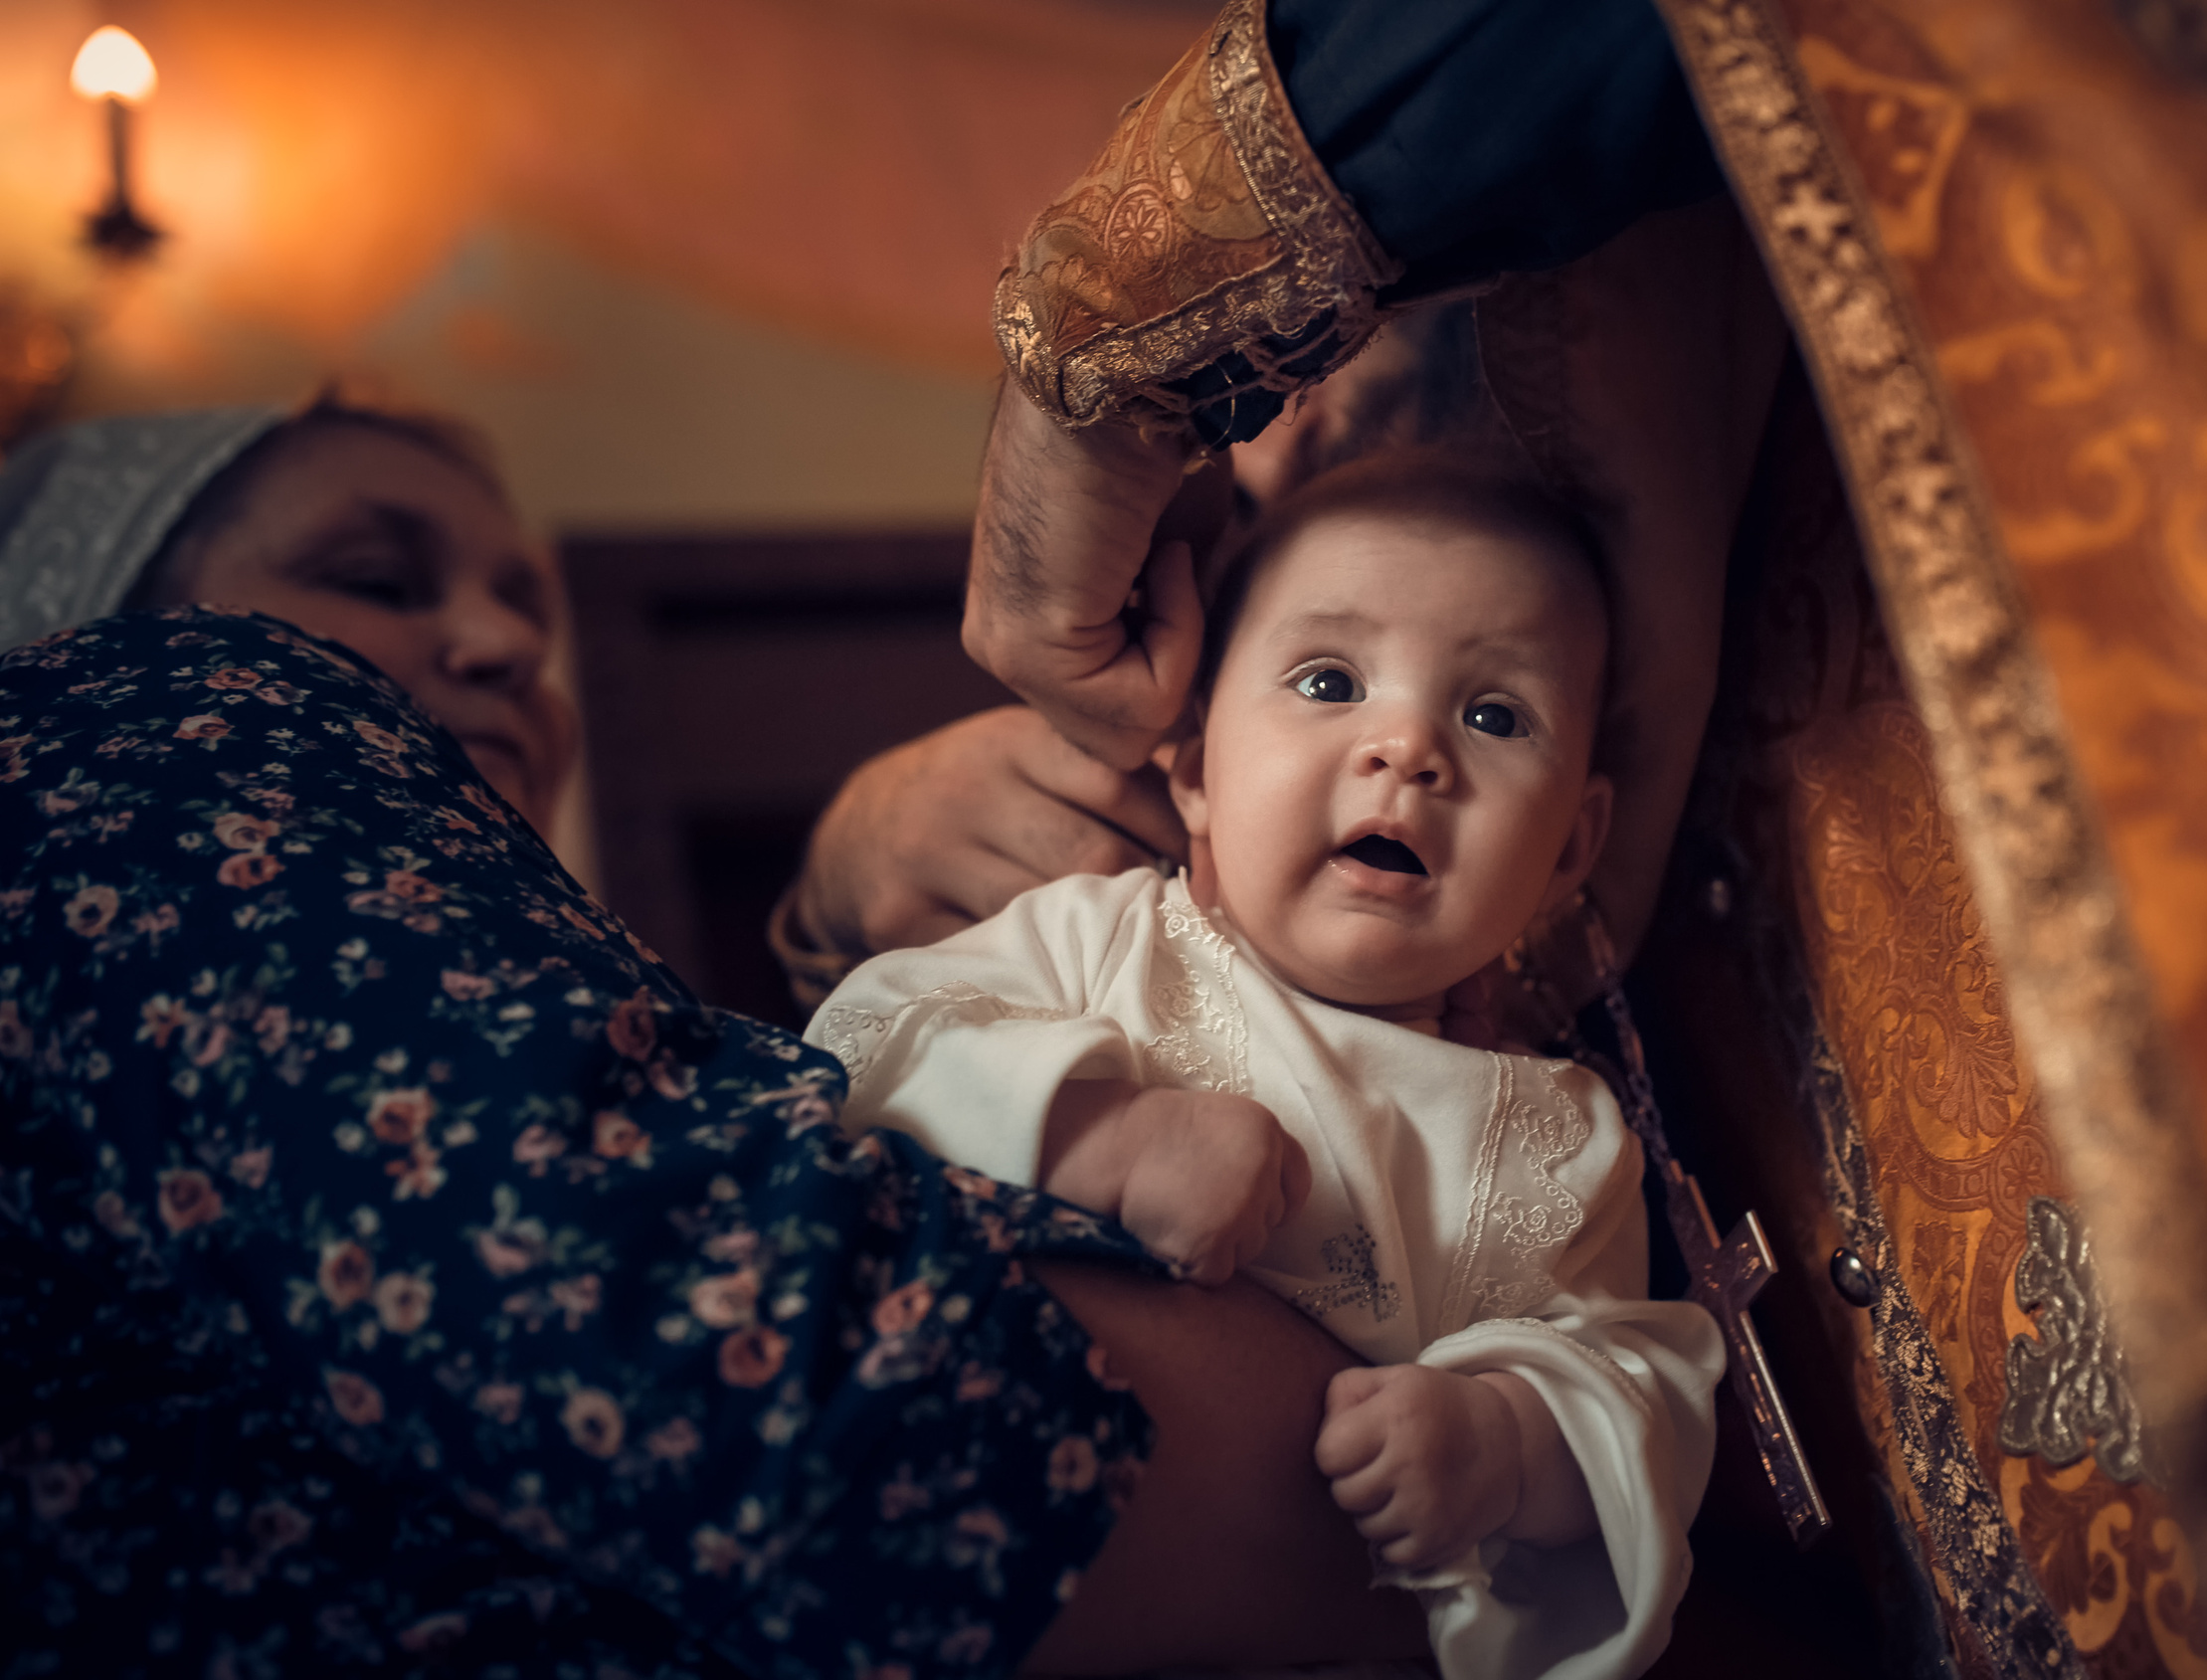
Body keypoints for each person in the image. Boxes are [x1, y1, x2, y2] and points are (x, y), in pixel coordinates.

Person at [0, 403, 1428, 1675]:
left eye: (529, 616)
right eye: (373, 579)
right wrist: (1510, 1515)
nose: (505, 642)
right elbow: (731, 1348)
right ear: (89, 614)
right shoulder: (155, 708)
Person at [810, 454, 1725, 1680]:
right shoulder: (1100, 942)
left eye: (1494, 715)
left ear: (1571, 847)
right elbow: (864, 1045)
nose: (1406, 747)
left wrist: (1507, 1440)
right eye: (1328, 681)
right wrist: (1098, 1135)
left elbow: (1644, 1380)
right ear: (1192, 768)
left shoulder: (1557, 1129)